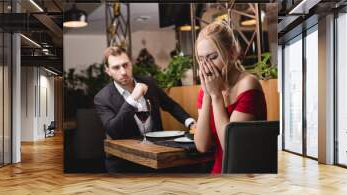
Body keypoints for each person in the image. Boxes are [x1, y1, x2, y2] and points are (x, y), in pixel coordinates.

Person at [94, 46, 196, 172]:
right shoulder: (102, 98)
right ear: (108, 71)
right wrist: (133, 98)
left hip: (157, 154)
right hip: (125, 163)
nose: (123, 72)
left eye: (125, 65)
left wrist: (190, 122)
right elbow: (114, 131)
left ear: (131, 64)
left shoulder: (149, 82)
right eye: (116, 67)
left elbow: (170, 105)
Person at [194, 21, 267, 174]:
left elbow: (233, 149)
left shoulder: (248, 85)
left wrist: (216, 96)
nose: (206, 67)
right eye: (201, 60)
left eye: (212, 57)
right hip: (218, 174)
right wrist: (208, 94)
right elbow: (202, 146)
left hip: (245, 176)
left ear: (232, 53)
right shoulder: (206, 90)